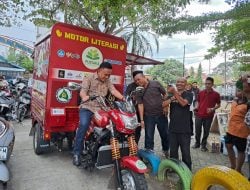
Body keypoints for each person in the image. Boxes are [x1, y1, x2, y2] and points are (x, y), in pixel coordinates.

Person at [73, 62, 125, 166]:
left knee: (115, 124)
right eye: (105, 74)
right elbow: (83, 91)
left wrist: (124, 99)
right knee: (83, 124)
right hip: (88, 107)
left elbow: (113, 91)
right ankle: (76, 153)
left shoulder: (108, 80)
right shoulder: (89, 78)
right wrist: (84, 97)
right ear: (99, 70)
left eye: (109, 75)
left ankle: (109, 149)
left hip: (102, 108)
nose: (107, 77)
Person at [134, 72, 169, 157]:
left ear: (144, 77)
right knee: (149, 136)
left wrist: (166, 106)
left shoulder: (155, 83)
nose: (138, 82)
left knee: (165, 134)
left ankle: (166, 150)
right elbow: (140, 104)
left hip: (161, 114)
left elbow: (165, 94)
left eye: (139, 79)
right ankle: (149, 154)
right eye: (136, 81)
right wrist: (142, 120)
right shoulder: (138, 90)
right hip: (148, 116)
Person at [163, 78, 193, 170]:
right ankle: (175, 169)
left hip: (185, 129)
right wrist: (172, 97)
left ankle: (187, 171)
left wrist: (175, 93)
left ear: (185, 84)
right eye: (178, 82)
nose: (179, 83)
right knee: (173, 152)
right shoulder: (171, 94)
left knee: (186, 153)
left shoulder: (189, 94)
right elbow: (163, 104)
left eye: (182, 82)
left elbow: (183, 103)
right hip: (172, 128)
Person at [225, 80, 250, 174]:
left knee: (240, 150)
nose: (237, 92)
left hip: (241, 131)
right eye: (237, 90)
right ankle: (233, 165)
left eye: (239, 90)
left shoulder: (248, 104)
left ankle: (238, 169)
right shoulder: (235, 101)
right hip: (231, 129)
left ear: (245, 92)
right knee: (228, 146)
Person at [193, 77, 221, 152]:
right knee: (197, 130)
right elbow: (197, 102)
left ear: (212, 84)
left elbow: (219, 105)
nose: (207, 85)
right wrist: (196, 107)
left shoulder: (216, 94)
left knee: (206, 131)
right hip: (199, 115)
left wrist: (212, 109)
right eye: (206, 83)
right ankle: (197, 143)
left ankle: (203, 145)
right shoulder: (201, 92)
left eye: (209, 84)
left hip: (209, 116)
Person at [125, 70, 143, 144]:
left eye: (139, 79)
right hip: (133, 113)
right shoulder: (131, 86)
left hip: (143, 112)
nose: (137, 81)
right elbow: (126, 98)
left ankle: (135, 146)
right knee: (131, 131)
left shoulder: (145, 85)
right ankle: (130, 146)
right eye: (136, 79)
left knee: (138, 131)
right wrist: (132, 97)